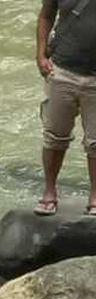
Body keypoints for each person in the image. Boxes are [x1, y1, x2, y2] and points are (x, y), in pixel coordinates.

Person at [35, 0, 96, 216]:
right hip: (62, 69)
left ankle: (95, 197)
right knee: (54, 136)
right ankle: (49, 192)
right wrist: (41, 55)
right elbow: (46, 15)